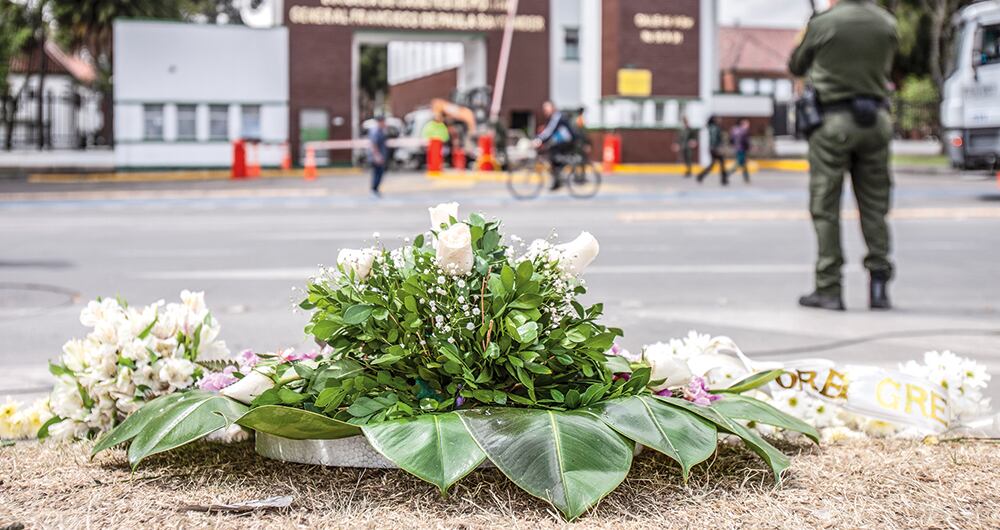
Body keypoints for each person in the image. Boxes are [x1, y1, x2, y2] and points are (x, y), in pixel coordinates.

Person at [789, 0, 897, 311]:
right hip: (876, 121)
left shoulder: (824, 23)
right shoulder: (886, 22)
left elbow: (797, 65)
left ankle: (829, 287)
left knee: (826, 206)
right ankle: (879, 287)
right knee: (875, 206)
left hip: (833, 123)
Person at [533, 101, 578, 191]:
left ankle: (564, 168)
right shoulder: (552, 118)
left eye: (547, 109)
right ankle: (557, 179)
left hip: (568, 141)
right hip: (561, 141)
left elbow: (549, 131)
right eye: (544, 110)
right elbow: (546, 131)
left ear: (553, 108)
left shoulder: (557, 116)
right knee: (551, 157)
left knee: (553, 155)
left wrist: (539, 140)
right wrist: (539, 138)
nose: (545, 111)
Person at [695, 116, 728, 185]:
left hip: (712, 148)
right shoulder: (715, 128)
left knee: (713, 164)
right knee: (721, 163)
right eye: (718, 118)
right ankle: (724, 180)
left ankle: (700, 176)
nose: (720, 120)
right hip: (715, 149)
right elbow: (715, 139)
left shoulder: (710, 127)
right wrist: (717, 148)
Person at [368, 114, 389, 198]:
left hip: (380, 155)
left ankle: (375, 190)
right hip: (376, 157)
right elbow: (374, 144)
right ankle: (374, 190)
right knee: (377, 173)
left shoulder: (381, 130)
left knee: (379, 173)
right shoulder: (376, 131)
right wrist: (377, 156)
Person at [729, 118, 751, 183]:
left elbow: (731, 140)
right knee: (739, 163)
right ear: (743, 124)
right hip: (742, 149)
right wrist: (748, 147)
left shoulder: (735, 130)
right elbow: (745, 141)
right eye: (747, 124)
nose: (748, 125)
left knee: (743, 164)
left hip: (737, 148)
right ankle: (727, 174)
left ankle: (746, 178)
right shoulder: (744, 131)